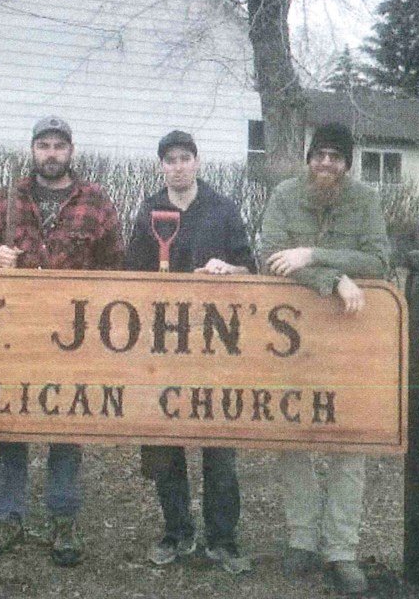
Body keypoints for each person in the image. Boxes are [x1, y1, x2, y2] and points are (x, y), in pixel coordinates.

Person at [0, 116, 124, 566]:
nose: (51, 153)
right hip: (15, 330)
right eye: (44, 145)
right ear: (33, 150)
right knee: (10, 421)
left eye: (59, 145)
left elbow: (115, 262)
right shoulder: (10, 198)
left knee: (67, 423)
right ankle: (7, 516)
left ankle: (63, 520)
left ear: (70, 151)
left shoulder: (94, 200)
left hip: (73, 332)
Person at [258, 122, 391, 595]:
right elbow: (269, 255)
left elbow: (379, 260)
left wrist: (314, 255)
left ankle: (341, 549)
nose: (326, 164)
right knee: (293, 435)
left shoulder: (365, 200)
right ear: (309, 159)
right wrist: (331, 279)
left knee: (347, 444)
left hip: (349, 335)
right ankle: (301, 538)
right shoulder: (284, 196)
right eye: (319, 155)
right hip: (289, 336)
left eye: (335, 156)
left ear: (347, 163)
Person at [125, 130, 255, 575]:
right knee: (164, 444)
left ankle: (223, 538)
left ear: (197, 162)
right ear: (161, 166)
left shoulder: (222, 209)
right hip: (162, 346)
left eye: (185, 158)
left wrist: (229, 269)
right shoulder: (148, 212)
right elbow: (131, 276)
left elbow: (249, 268)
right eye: (170, 160)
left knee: (219, 447)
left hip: (215, 346)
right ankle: (176, 530)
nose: (178, 166)